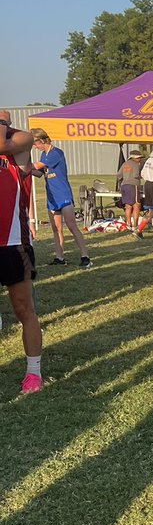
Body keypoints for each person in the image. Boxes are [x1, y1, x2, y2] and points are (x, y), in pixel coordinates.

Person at [0, 114, 43, 393]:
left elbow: (3, 145)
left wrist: (2, 123)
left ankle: (33, 372)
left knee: (24, 309)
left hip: (14, 243)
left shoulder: (21, 139)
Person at [30, 131, 92, 268]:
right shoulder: (44, 155)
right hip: (52, 197)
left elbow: (36, 166)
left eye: (35, 144)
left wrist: (21, 165)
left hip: (63, 195)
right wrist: (25, 171)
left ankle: (85, 256)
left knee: (71, 226)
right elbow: (39, 172)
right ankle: (60, 257)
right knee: (56, 228)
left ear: (42, 140)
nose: (35, 147)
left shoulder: (56, 153)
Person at [117, 150, 143, 232]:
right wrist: (142, 176)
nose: (140, 159)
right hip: (133, 185)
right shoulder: (136, 165)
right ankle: (135, 225)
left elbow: (119, 175)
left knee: (128, 206)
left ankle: (128, 224)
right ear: (135, 158)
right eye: (139, 158)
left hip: (124, 186)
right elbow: (136, 175)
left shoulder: (125, 164)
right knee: (136, 205)